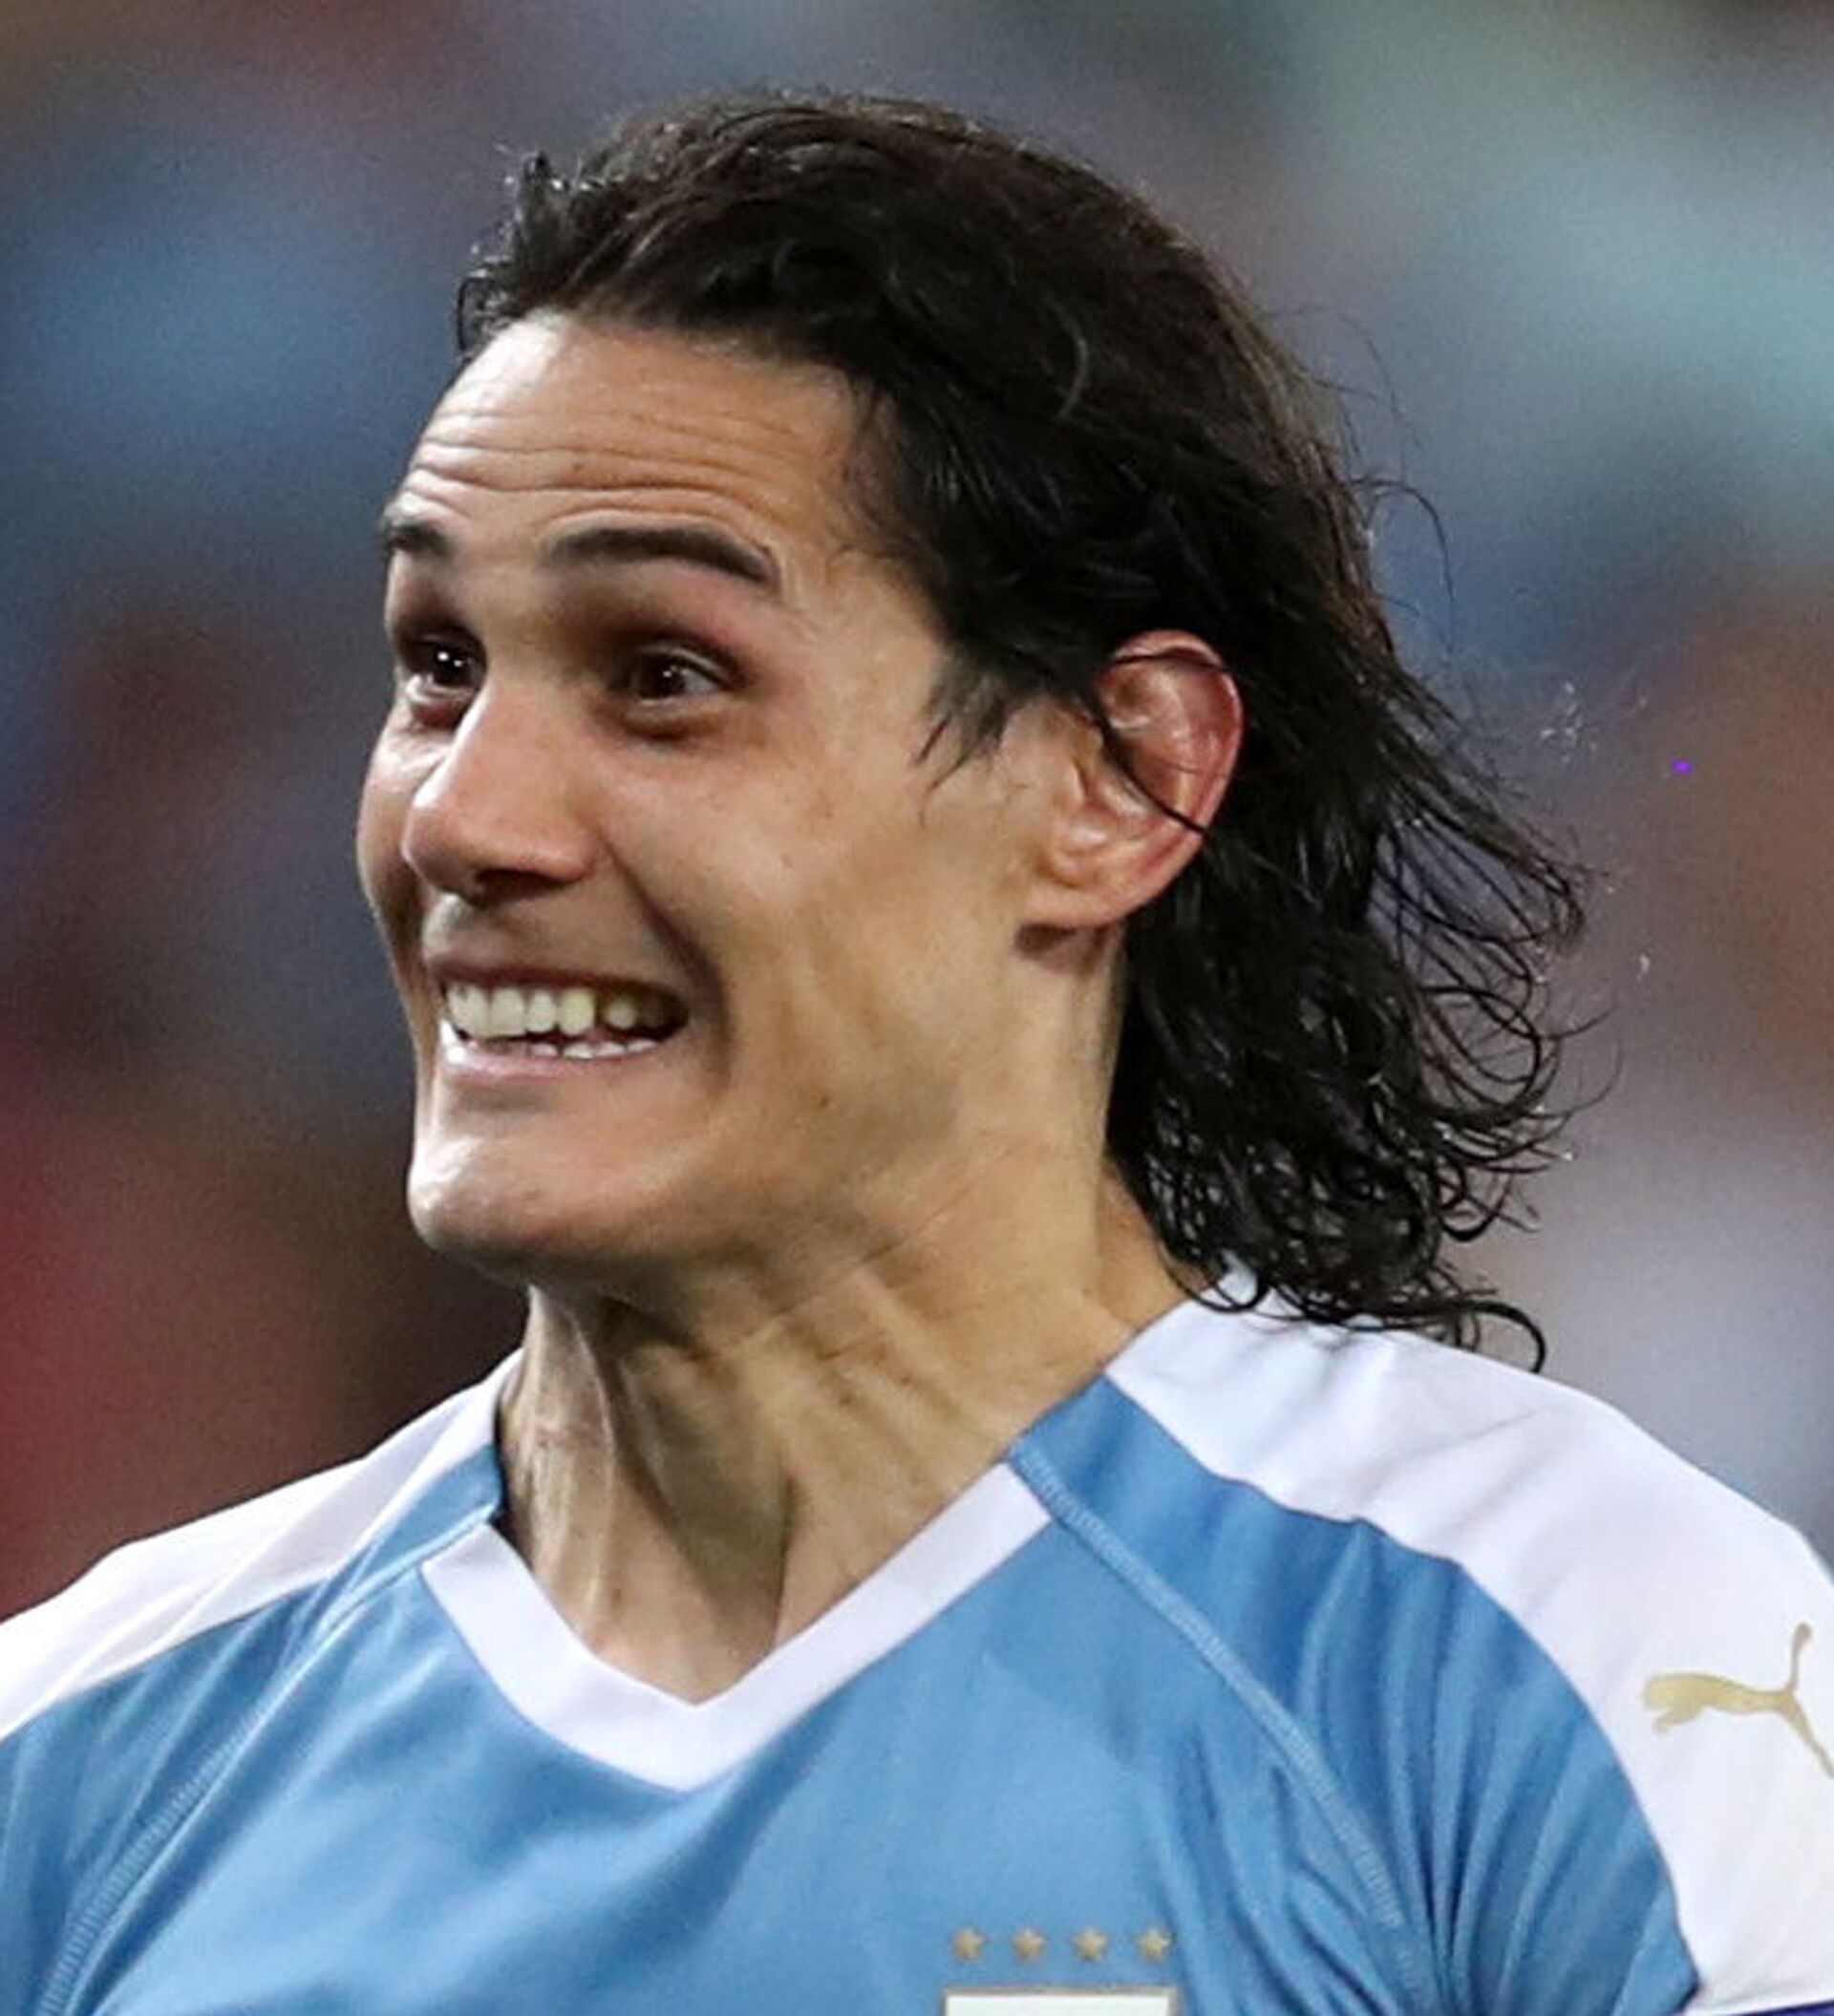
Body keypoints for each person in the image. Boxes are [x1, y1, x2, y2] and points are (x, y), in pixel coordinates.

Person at [2, 92, 1829, 2015]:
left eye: (665, 677)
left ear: (1119, 780)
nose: (465, 817)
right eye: (439, 666)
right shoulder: (80, 1769)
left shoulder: (1573, 1668)